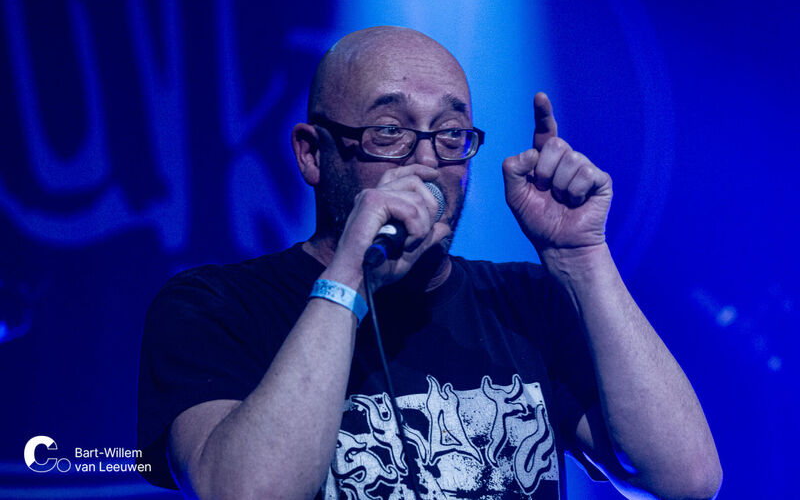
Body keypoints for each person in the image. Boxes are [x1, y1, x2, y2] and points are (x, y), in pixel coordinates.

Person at [137, 26, 722, 499]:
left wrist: (581, 256)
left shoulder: (524, 303)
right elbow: (246, 492)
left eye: (450, 133)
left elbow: (687, 479)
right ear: (313, 154)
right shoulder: (215, 307)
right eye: (389, 131)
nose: (426, 160)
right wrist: (349, 278)